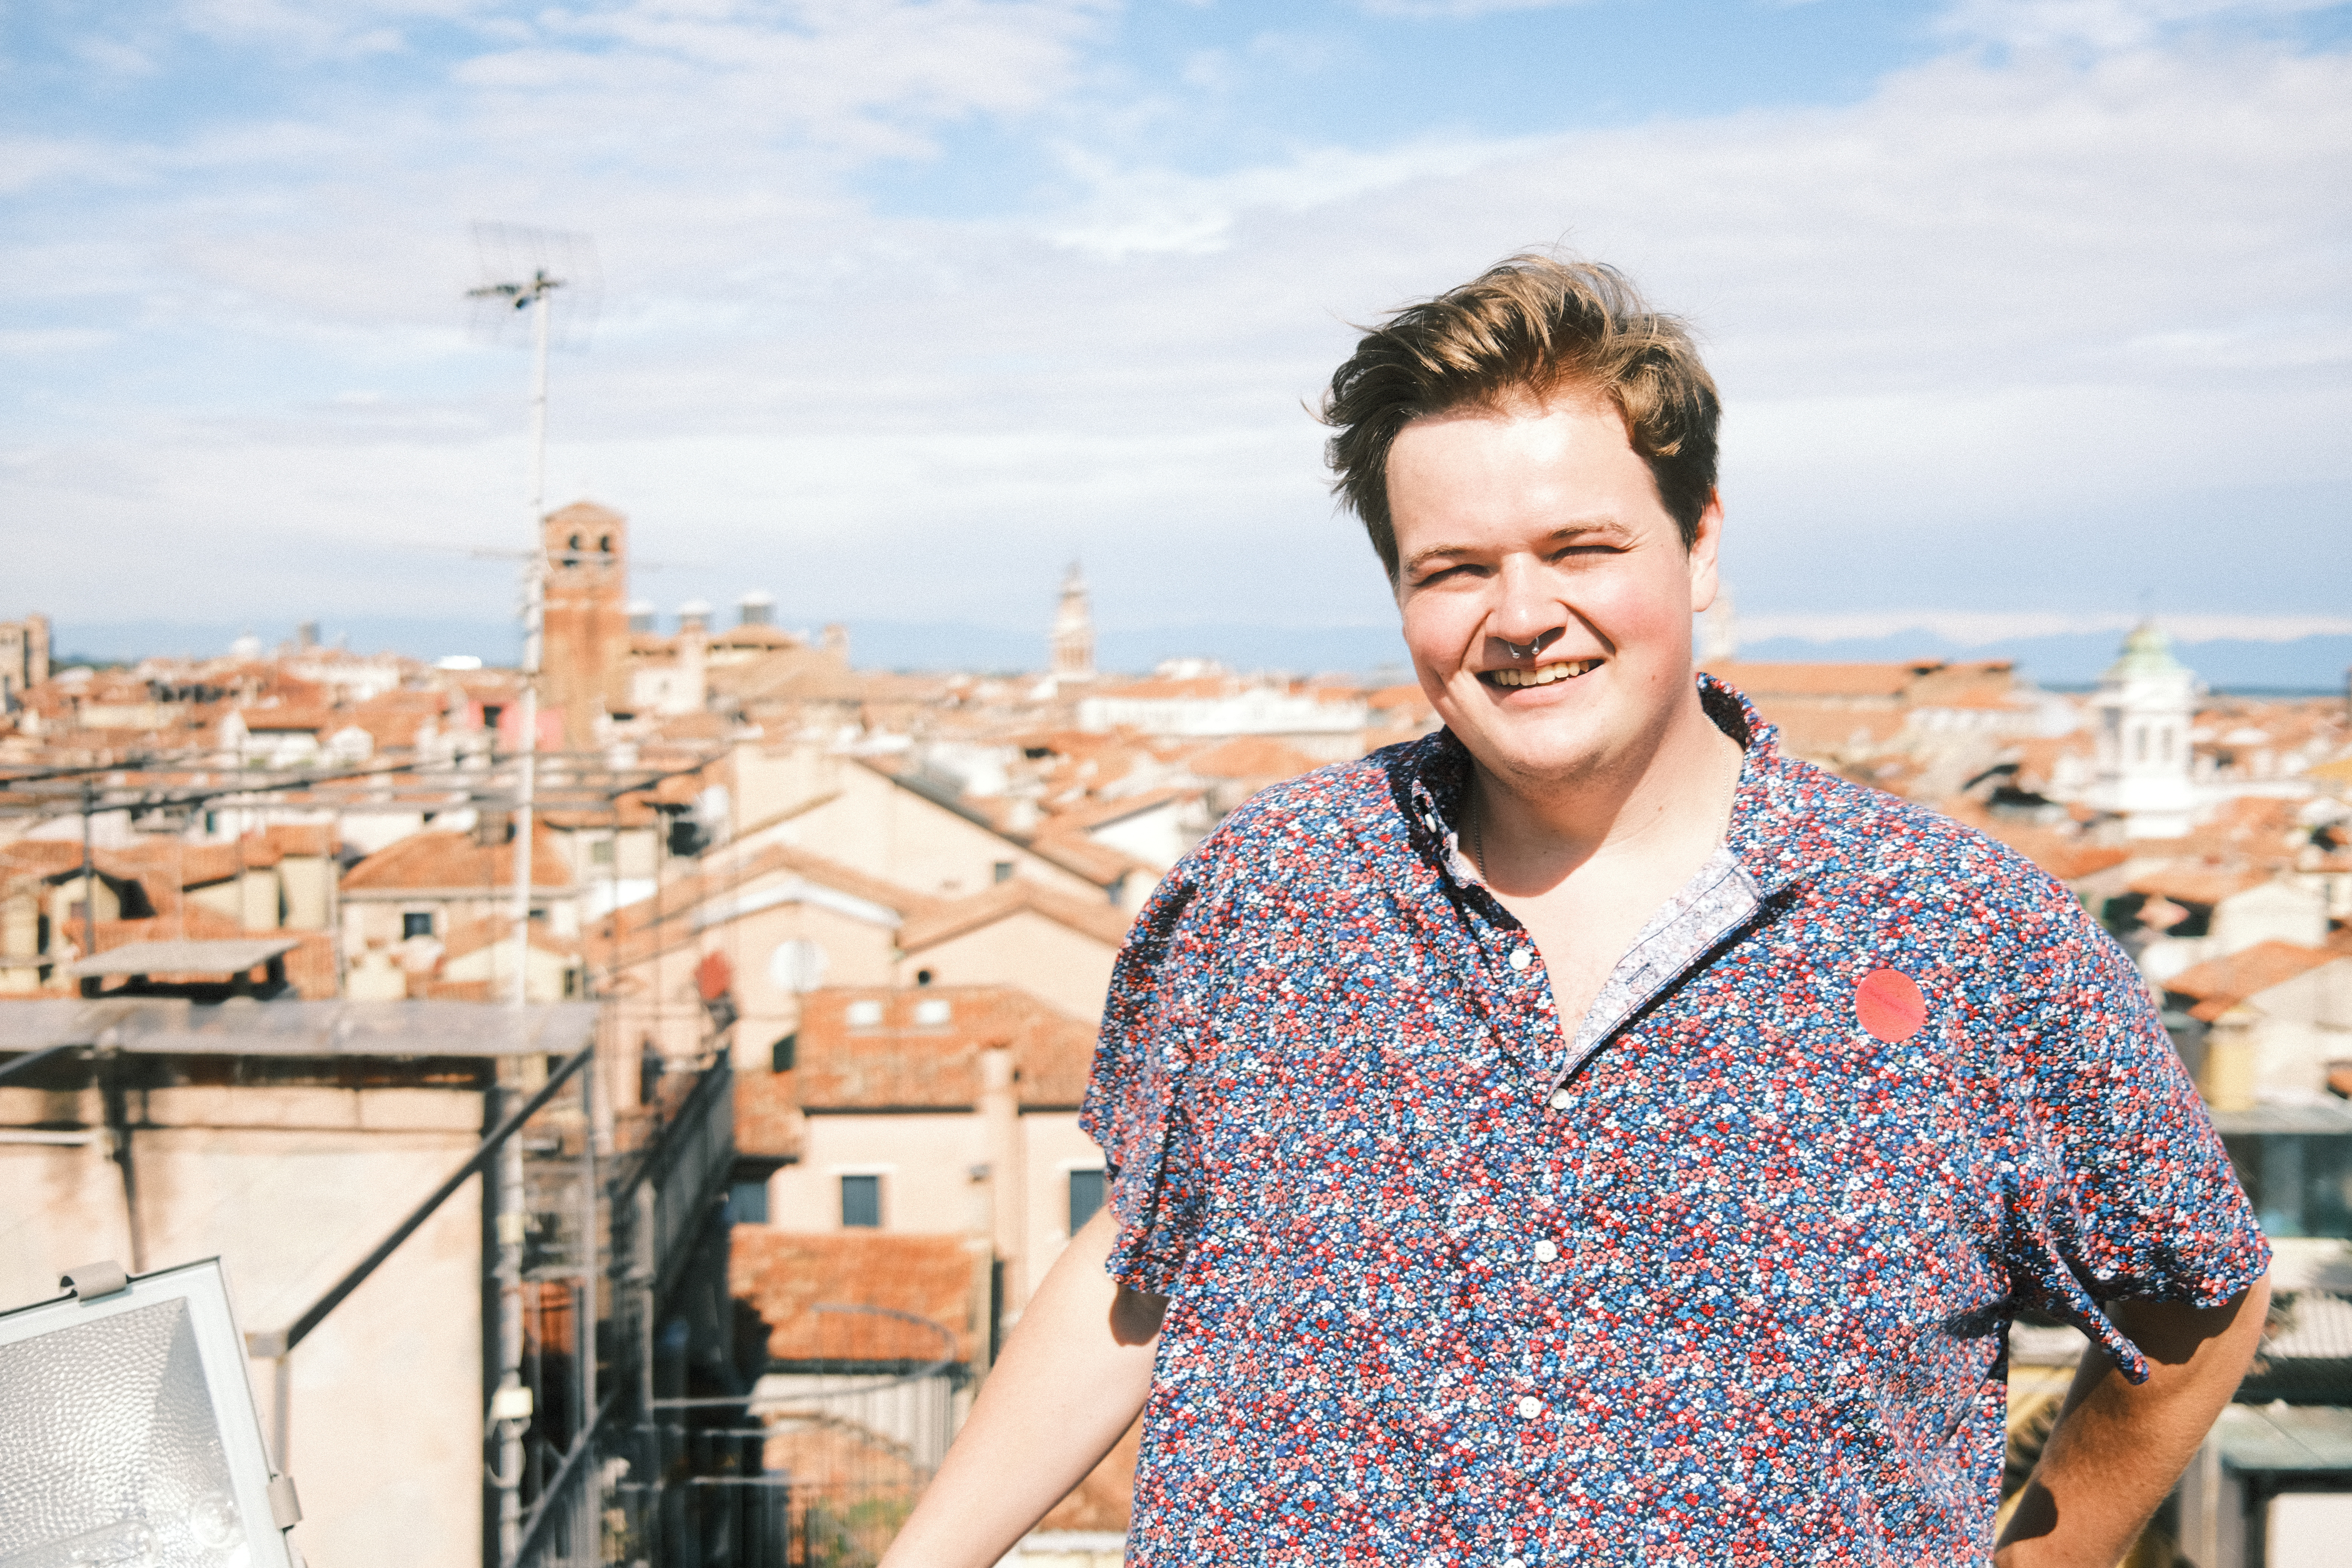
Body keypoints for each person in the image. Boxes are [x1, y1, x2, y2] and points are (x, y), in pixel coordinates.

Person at [880, 256, 2270, 1566]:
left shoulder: (1963, 934)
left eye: (1580, 547)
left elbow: (2198, 1292)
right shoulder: (1269, 896)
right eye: (1457, 568)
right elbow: (1143, 1258)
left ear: (1700, 544)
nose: (1522, 613)